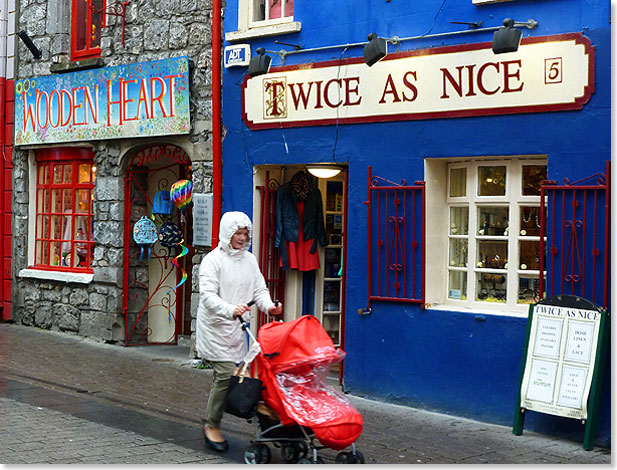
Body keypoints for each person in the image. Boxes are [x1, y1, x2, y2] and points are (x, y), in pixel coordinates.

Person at [196, 211, 283, 452]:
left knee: (248, 376)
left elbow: (259, 290)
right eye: (238, 234)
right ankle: (211, 425)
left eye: (245, 234)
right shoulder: (212, 261)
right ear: (227, 234)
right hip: (215, 330)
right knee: (226, 376)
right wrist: (229, 309)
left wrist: (269, 307)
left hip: (238, 330)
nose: (243, 238)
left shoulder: (250, 260)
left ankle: (260, 414)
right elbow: (208, 296)